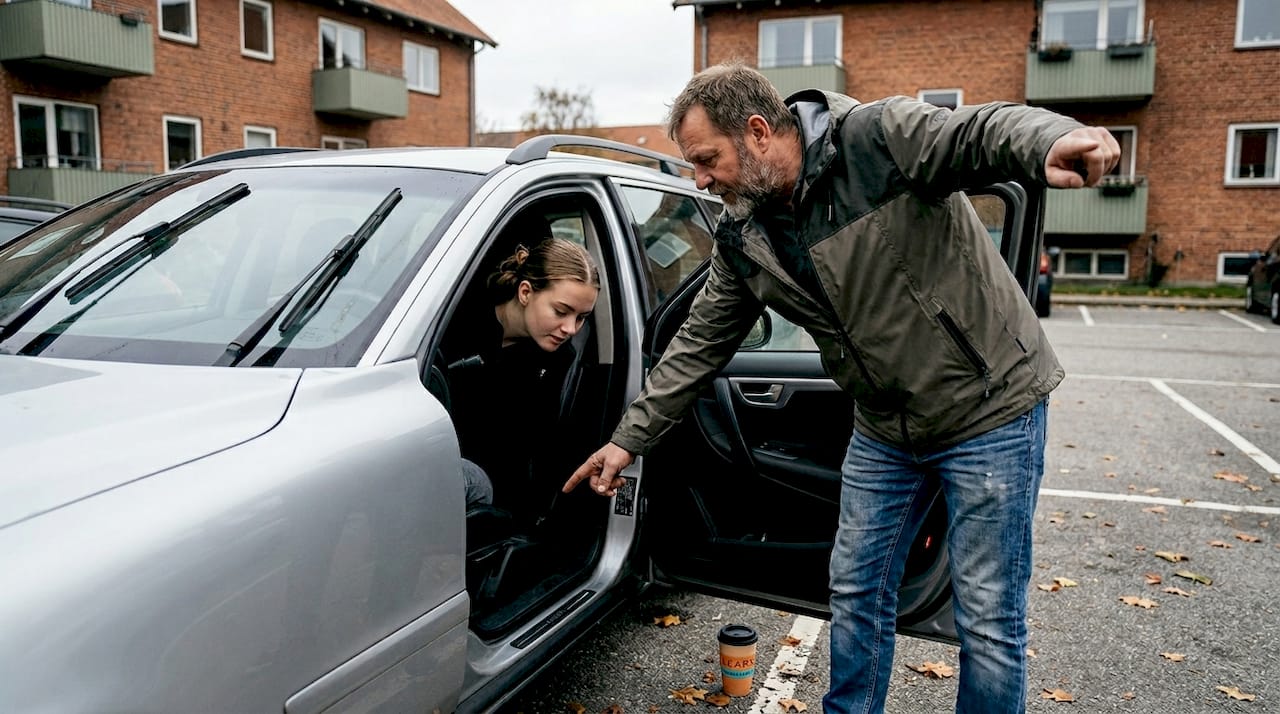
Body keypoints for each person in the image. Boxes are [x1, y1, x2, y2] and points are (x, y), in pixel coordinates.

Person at [561, 62, 1119, 713]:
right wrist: (628, 442)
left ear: (759, 131)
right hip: (884, 427)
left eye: (707, 159)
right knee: (855, 593)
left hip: (989, 410)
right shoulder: (745, 234)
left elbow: (978, 132)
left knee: (989, 622)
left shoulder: (876, 138)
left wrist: (1051, 139)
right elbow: (696, 345)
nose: (701, 179)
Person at [445, 237, 599, 511]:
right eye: (561, 312)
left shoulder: (559, 359)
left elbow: (534, 451)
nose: (571, 329)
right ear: (525, 292)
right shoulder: (454, 319)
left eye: (581, 317)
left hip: (486, 486)